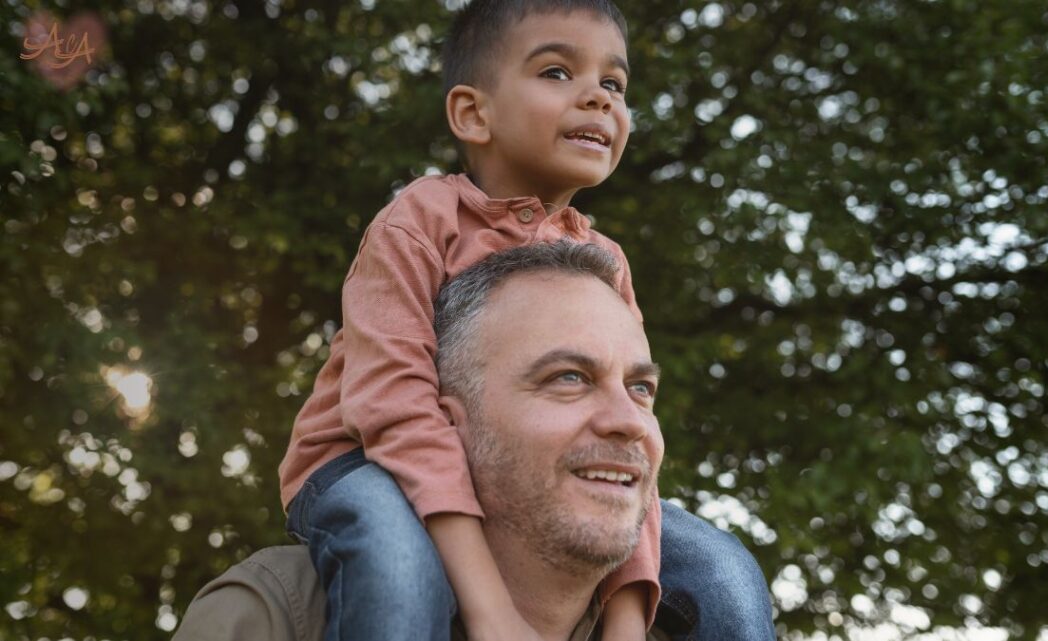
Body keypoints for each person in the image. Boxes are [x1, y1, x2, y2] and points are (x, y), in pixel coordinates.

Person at [276, 1, 771, 639]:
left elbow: (631, 427)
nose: (598, 98)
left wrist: (623, 619)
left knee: (725, 572)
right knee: (397, 566)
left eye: (614, 84)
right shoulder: (421, 220)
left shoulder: (605, 264)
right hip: (366, 461)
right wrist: (490, 608)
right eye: (558, 73)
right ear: (472, 113)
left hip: (527, 471)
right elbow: (392, 404)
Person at [176, 242, 776, 640]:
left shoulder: (691, 627)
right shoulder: (281, 617)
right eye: (569, 377)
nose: (630, 421)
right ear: (446, 425)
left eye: (642, 390)